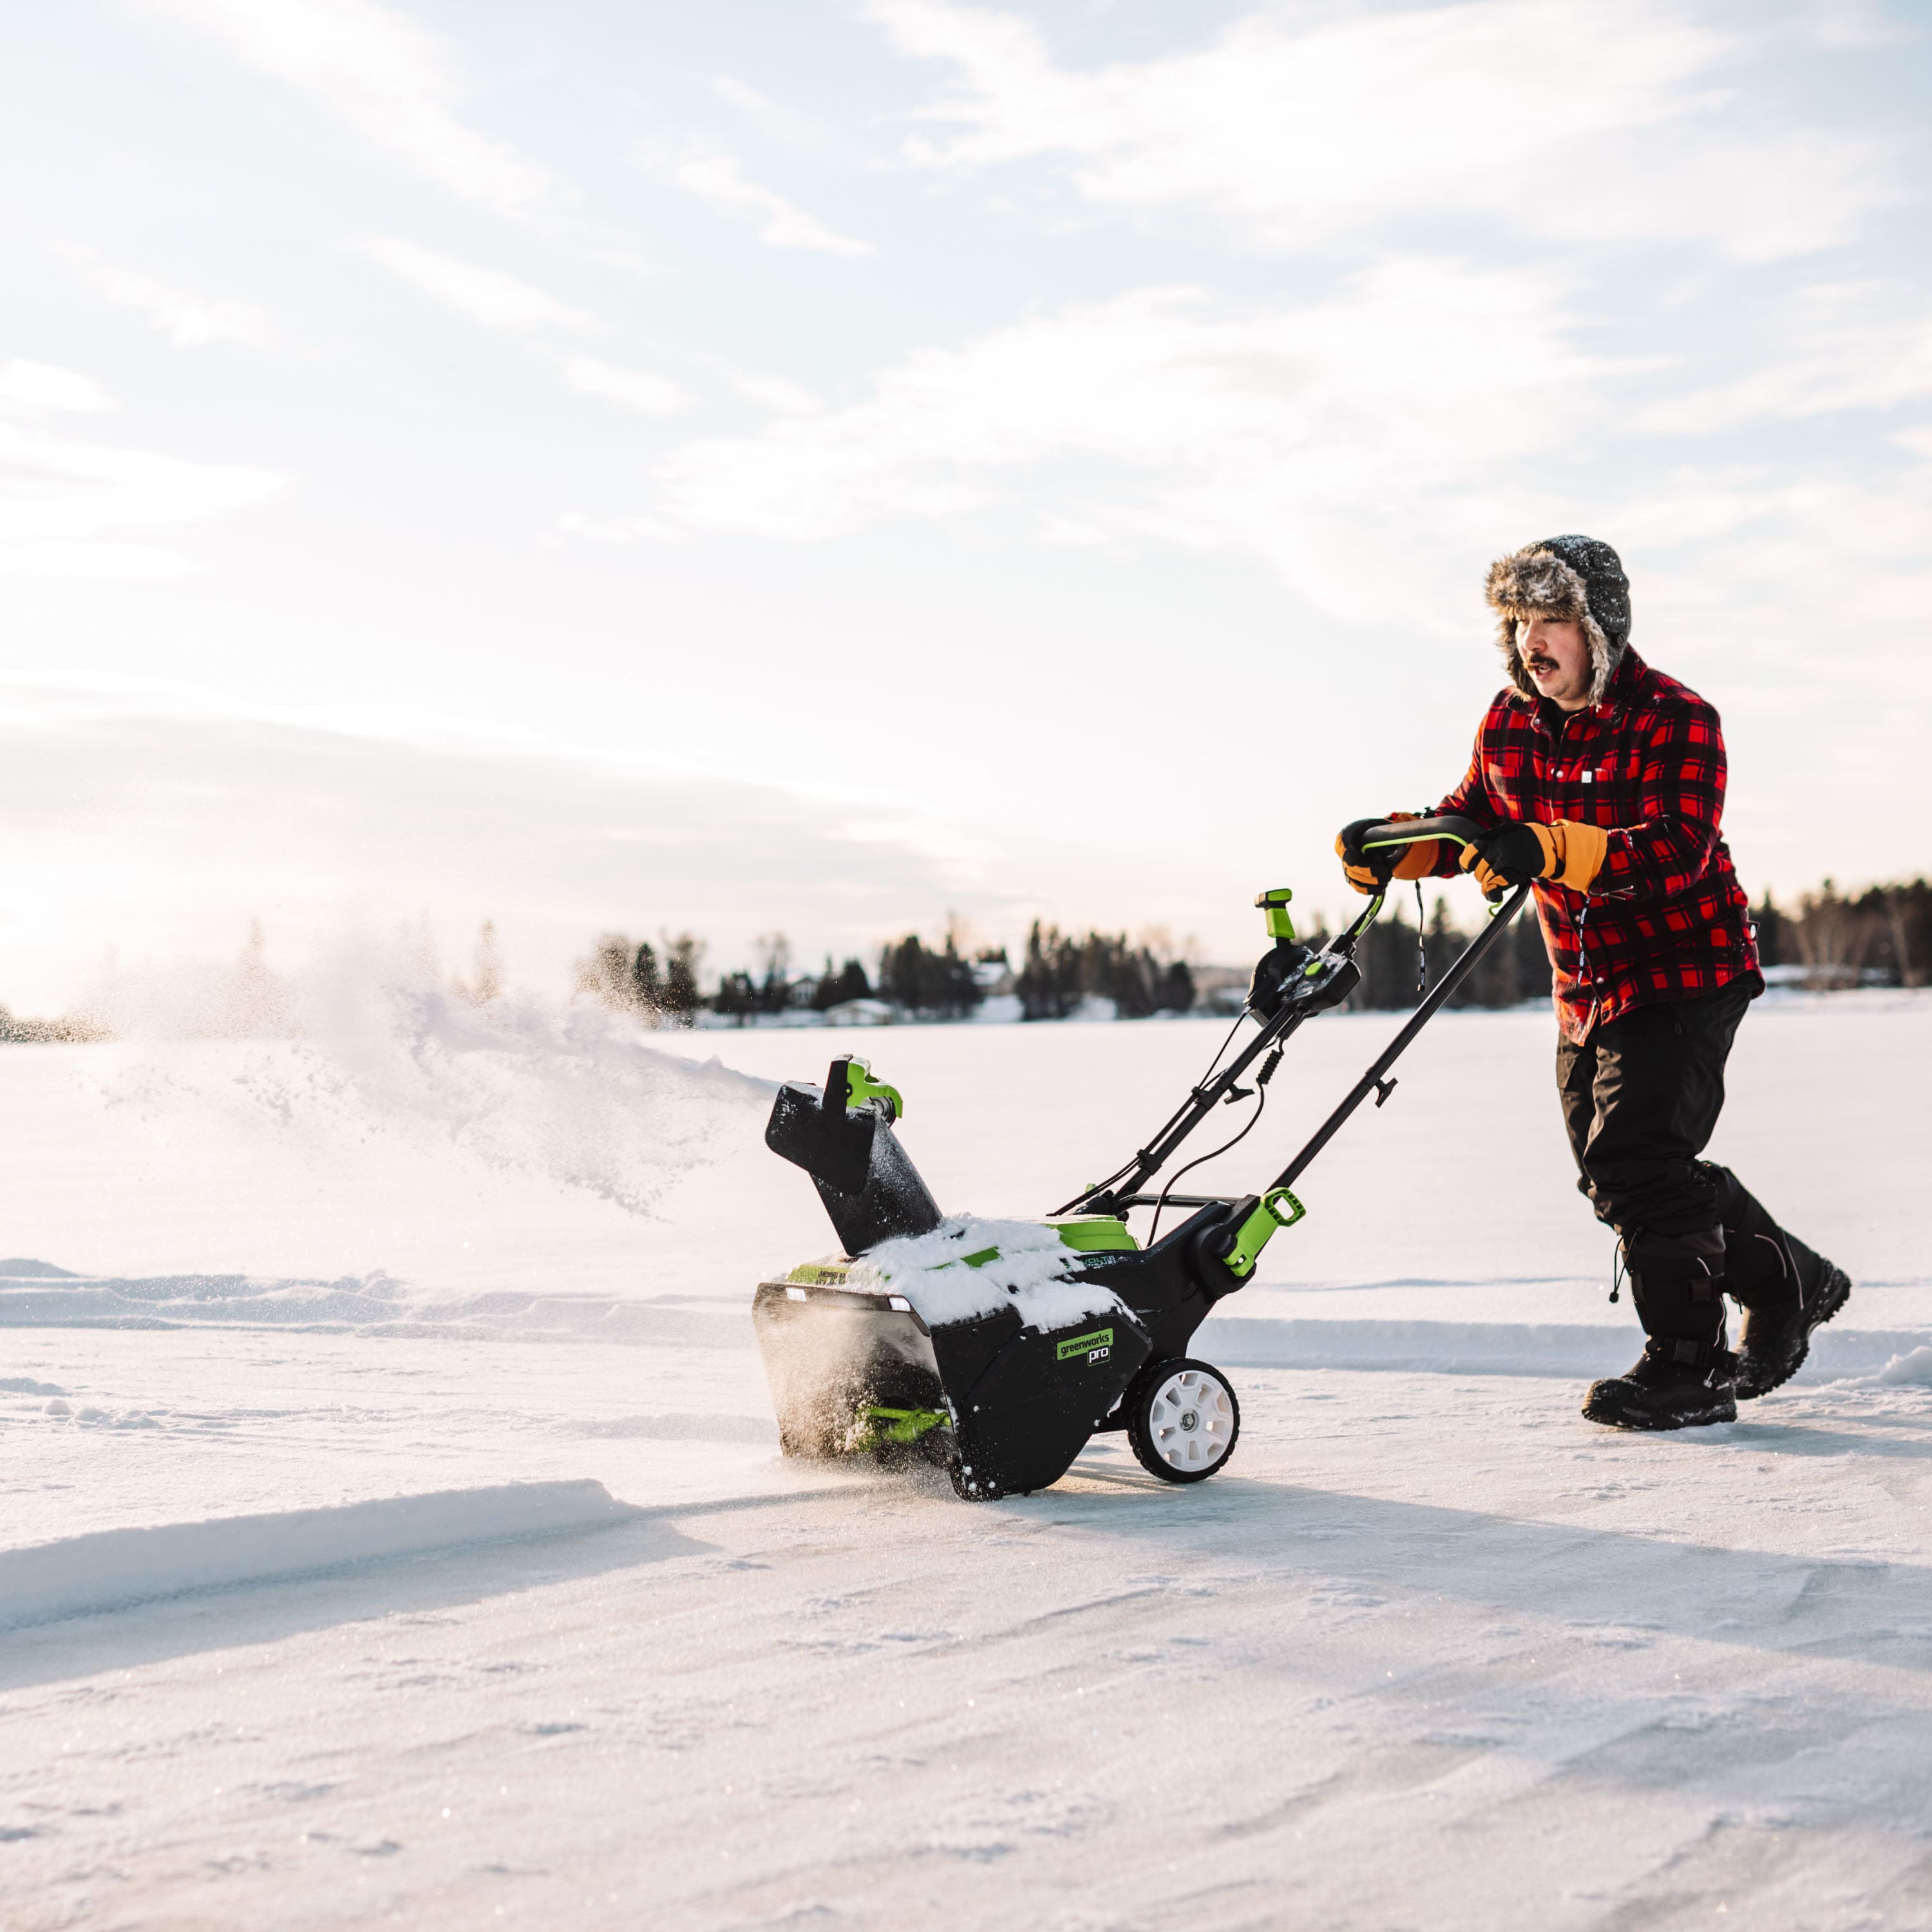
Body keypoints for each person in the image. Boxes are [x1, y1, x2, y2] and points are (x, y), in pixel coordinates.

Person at [1336, 535, 1849, 1430]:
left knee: (1636, 1160)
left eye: (1555, 620)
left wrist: (1557, 845)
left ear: (1601, 627)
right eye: (1521, 622)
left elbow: (1677, 848)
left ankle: (1689, 1368)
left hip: (1686, 969)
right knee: (1622, 1173)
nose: (1534, 642)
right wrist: (1399, 845)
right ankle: (1792, 1283)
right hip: (1583, 985)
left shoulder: (1677, 717)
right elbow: (1475, 820)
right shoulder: (1507, 720)